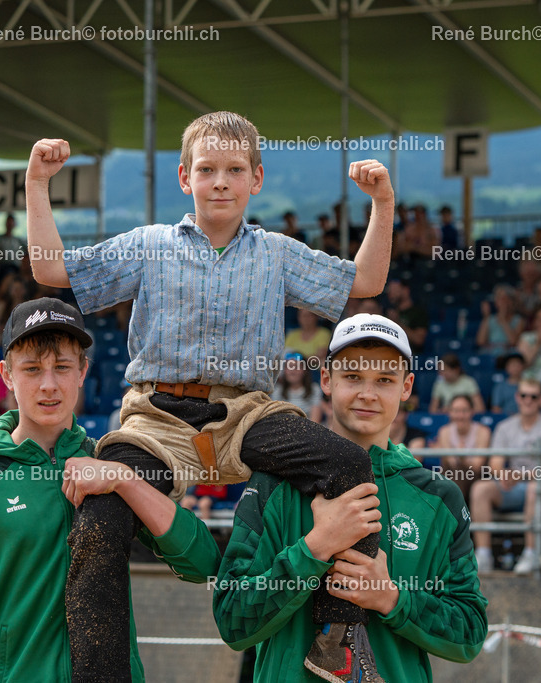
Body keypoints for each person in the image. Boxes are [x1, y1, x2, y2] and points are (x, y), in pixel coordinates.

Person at [26, 113, 396, 682]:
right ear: (184, 178)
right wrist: (37, 184)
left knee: (348, 463)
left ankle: (336, 635)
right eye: (207, 169)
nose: (219, 180)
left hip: (247, 414)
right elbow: (50, 268)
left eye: (234, 169)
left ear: (257, 179)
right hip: (156, 418)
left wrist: (382, 204)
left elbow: (365, 283)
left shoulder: (276, 253)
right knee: (98, 516)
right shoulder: (149, 245)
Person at [0, 298, 220, 682]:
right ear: (6, 374)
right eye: (32, 369)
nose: (48, 385)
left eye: (62, 367)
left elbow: (201, 563)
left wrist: (123, 479)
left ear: (83, 371)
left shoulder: (110, 465)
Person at [213, 314, 487, 681]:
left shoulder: (439, 497)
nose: (367, 394)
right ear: (327, 379)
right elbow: (233, 620)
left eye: (384, 381)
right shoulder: (273, 483)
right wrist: (314, 549)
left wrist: (391, 599)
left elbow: (469, 633)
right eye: (353, 376)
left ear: (406, 387)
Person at [470, 378, 541, 575]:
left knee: (534, 487)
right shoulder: (505, 427)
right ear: (517, 397)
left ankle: (531, 553)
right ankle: (483, 554)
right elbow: (495, 463)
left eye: (533, 396)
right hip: (512, 486)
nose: (528, 400)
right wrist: (503, 473)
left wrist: (520, 475)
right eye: (524, 395)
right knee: (480, 488)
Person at [433, 394, 490, 500]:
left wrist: (462, 457)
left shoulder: (483, 431)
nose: (460, 416)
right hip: (451, 475)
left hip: (474, 477)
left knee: (458, 475)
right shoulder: (444, 431)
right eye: (455, 411)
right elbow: (450, 463)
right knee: (452, 475)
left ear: (472, 411)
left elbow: (477, 466)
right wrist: (460, 457)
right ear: (449, 412)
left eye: (464, 411)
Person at [476, 285, 523, 353]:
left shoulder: (519, 320)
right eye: (501, 299)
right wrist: (486, 317)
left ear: (512, 302)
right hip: (491, 353)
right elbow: (480, 342)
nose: (504, 302)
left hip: (508, 354)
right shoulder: (489, 319)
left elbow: (514, 342)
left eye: (507, 299)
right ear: (496, 302)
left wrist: (503, 321)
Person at [384, 279, 428, 351]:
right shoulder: (389, 314)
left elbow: (418, 340)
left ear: (406, 290)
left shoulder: (418, 313)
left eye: (395, 289)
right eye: (389, 290)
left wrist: (397, 323)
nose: (391, 293)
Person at [0, 212, 27, 283]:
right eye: (8, 222)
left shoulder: (19, 240)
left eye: (12, 222)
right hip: (2, 268)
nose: (10, 225)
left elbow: (28, 252)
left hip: (17, 268)